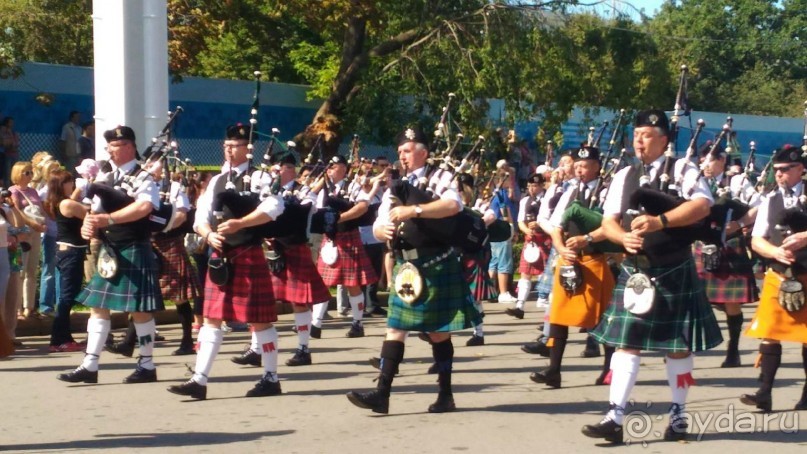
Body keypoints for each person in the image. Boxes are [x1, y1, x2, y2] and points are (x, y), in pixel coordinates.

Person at [581, 110, 723, 444]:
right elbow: (608, 221)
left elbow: (703, 205)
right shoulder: (625, 174)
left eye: (645, 134)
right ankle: (615, 416)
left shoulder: (683, 169)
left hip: (673, 268)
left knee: (677, 348)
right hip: (636, 271)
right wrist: (621, 238)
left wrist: (661, 221)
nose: (638, 140)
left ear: (663, 138)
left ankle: (678, 415)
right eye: (636, 134)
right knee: (626, 345)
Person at [346, 127, 481, 414]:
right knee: (395, 327)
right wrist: (384, 230)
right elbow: (379, 224)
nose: (402, 157)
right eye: (400, 152)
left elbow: (453, 205)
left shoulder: (441, 177)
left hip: (435, 263)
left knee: (438, 333)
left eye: (407, 151)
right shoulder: (397, 184)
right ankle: (382, 395)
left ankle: (445, 394)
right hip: (407, 266)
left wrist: (415, 211)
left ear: (423, 152)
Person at [167, 124, 284, 400]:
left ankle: (271, 378)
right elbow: (199, 218)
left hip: (247, 254)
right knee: (211, 319)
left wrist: (240, 223)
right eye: (226, 145)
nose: (229, 150)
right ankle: (199, 379)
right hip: (221, 258)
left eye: (235, 145)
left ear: (248, 149)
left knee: (260, 321)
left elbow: (273, 208)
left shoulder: (259, 178)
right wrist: (209, 234)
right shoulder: (217, 181)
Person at [56, 125, 165, 384]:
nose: (109, 151)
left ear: (128, 146)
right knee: (98, 307)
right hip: (109, 249)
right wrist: (87, 223)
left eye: (114, 146)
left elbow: (145, 207)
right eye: (108, 147)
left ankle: (147, 365)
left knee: (140, 311)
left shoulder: (143, 177)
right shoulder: (105, 177)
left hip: (134, 246)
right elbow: (93, 210)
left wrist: (110, 219)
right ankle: (90, 364)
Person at [529, 145, 615, 388]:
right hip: (569, 261)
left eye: (585, 165)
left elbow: (611, 225)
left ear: (597, 167)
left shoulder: (608, 192)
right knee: (558, 316)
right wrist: (561, 247)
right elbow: (556, 225)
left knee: (602, 318)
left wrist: (587, 239)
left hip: (596, 259)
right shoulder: (570, 193)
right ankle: (553, 371)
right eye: (576, 165)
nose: (579, 169)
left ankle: (609, 369)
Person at [740, 144, 807, 412]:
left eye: (786, 169)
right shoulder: (769, 200)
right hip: (779, 274)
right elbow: (757, 239)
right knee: (768, 333)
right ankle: (764, 392)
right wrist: (775, 251)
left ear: (801, 169)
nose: (779, 175)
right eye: (776, 170)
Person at [693, 142, 759, 368]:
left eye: (710, 160)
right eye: (703, 160)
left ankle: (733, 350)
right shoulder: (697, 179)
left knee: (732, 302)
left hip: (729, 243)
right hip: (702, 242)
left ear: (722, 160)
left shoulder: (737, 180)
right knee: (693, 297)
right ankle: (685, 348)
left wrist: (738, 224)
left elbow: (758, 206)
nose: (705, 164)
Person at [313, 154, 377, 338]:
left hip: (349, 237)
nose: (331, 168)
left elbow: (363, 207)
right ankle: (315, 323)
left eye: (335, 165)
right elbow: (310, 201)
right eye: (330, 166)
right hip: (330, 238)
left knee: (353, 284)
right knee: (322, 282)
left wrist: (340, 218)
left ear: (344, 168)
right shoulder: (323, 187)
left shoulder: (353, 185)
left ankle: (357, 323)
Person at [44, 169, 88, 352]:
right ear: (61, 185)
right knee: (67, 297)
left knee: (67, 295)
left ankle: (65, 336)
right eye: (69, 181)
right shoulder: (67, 204)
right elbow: (88, 213)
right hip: (71, 251)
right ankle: (58, 339)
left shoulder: (59, 202)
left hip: (66, 251)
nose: (72, 184)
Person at [506, 173, 550, 320]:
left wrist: (539, 225)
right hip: (531, 239)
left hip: (545, 238)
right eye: (530, 185)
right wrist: (527, 230)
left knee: (547, 274)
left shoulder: (549, 199)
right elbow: (520, 221)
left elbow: (554, 220)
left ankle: (549, 311)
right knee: (525, 273)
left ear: (542, 185)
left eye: (535, 185)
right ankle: (520, 306)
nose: (531, 188)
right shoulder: (525, 200)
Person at [9, 162, 47, 319]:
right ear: (18, 174)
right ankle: (17, 308)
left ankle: (29, 307)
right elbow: (16, 211)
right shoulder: (13, 191)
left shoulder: (33, 191)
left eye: (30, 172)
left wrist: (42, 223)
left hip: (36, 232)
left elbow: (41, 209)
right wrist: (32, 224)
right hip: (23, 232)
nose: (30, 175)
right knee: (20, 271)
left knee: (32, 269)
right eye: (26, 173)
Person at [487, 161, 518, 303]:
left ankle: (488, 291)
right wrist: (511, 228)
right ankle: (503, 292)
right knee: (504, 262)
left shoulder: (493, 194)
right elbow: (505, 212)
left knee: (494, 262)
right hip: (502, 230)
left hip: (493, 231)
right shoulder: (502, 194)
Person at [0, 117, 20, 186]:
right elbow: (5, 144)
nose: (11, 124)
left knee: (14, 172)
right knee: (7, 173)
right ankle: (7, 189)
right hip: (8, 155)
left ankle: (13, 187)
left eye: (12, 122)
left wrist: (12, 143)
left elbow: (16, 144)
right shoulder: (4, 133)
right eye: (10, 122)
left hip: (14, 155)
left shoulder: (14, 133)